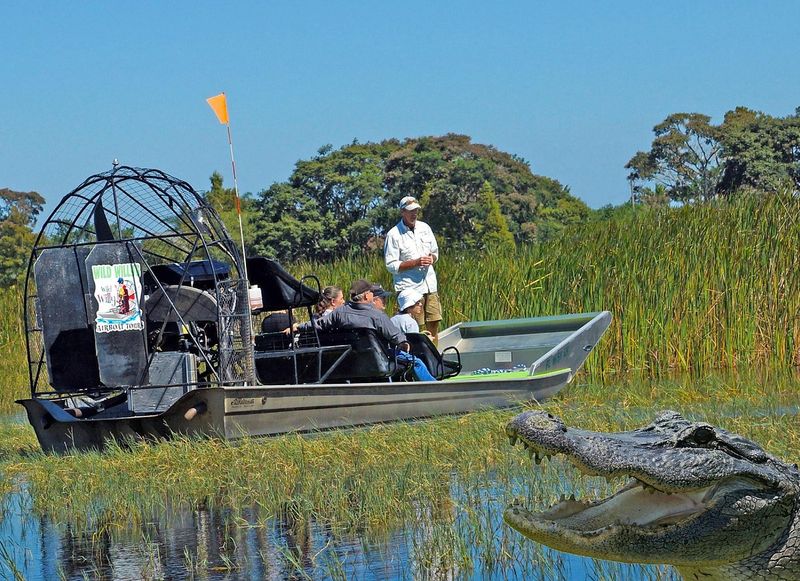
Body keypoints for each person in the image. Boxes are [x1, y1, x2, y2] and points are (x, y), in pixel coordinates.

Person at [317, 279, 436, 381]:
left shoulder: (339, 313)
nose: (373, 295)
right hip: (378, 359)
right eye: (371, 292)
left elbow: (318, 324)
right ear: (366, 295)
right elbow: (394, 336)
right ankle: (434, 388)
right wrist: (404, 342)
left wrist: (304, 326)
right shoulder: (376, 315)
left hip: (350, 360)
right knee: (416, 362)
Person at [384, 195, 442, 343]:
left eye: (416, 210)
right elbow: (391, 265)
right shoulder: (393, 234)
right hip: (410, 289)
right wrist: (415, 262)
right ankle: (418, 355)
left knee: (434, 322)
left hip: (430, 284)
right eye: (410, 211)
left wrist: (432, 258)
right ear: (402, 212)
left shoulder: (425, 228)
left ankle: (435, 354)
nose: (414, 214)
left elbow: (435, 253)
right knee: (416, 327)